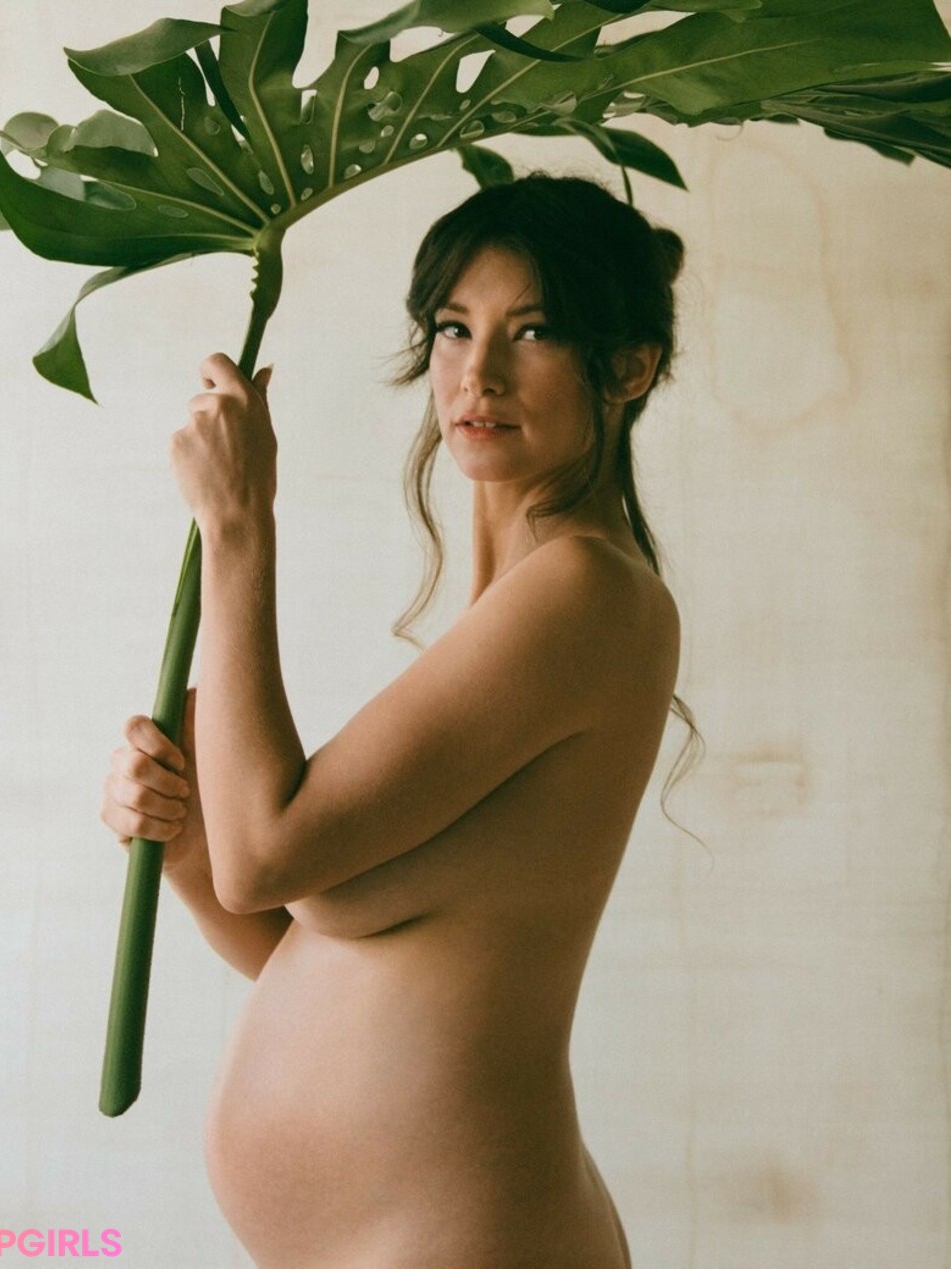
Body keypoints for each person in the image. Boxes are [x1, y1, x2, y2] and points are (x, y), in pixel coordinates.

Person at [101, 173, 696, 1268]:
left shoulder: (586, 594)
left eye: (534, 331)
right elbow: (321, 940)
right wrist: (188, 847)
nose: (479, 372)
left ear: (629, 366)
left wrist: (238, 528)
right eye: (455, 328)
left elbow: (270, 853)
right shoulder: (508, 617)